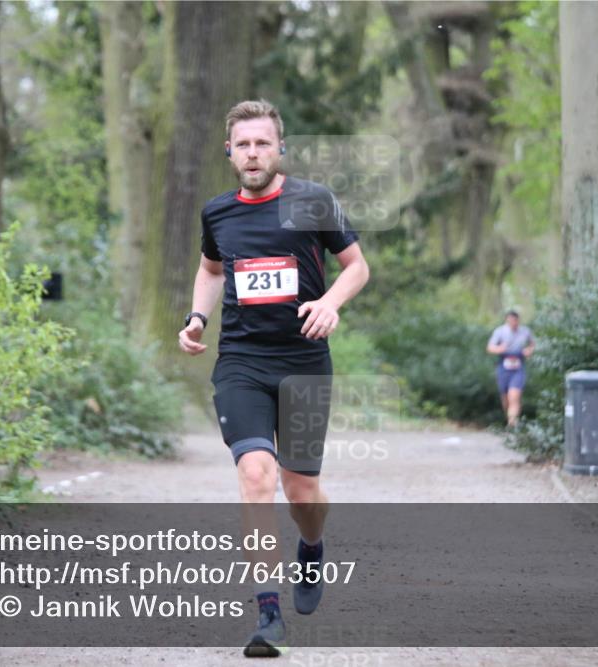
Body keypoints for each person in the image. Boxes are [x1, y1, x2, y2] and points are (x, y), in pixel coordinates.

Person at [178, 99, 369, 657]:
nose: (253, 153)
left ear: (279, 147)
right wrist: (196, 318)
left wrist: (331, 303)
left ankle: (313, 546)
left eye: (263, 143)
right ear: (230, 153)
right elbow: (212, 268)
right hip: (240, 362)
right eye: (244, 144)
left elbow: (356, 265)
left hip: (305, 361)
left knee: (300, 489)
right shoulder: (218, 213)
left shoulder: (312, 200)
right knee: (255, 476)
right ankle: (267, 615)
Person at [486, 310, 535, 427]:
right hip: (504, 366)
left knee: (514, 396)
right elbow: (490, 348)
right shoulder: (500, 331)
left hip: (518, 367)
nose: (513, 323)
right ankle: (509, 417)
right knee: (506, 398)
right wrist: (500, 349)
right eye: (511, 320)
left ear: (518, 320)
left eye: (515, 320)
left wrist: (529, 351)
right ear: (507, 320)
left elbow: (533, 344)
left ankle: (512, 424)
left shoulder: (525, 331)